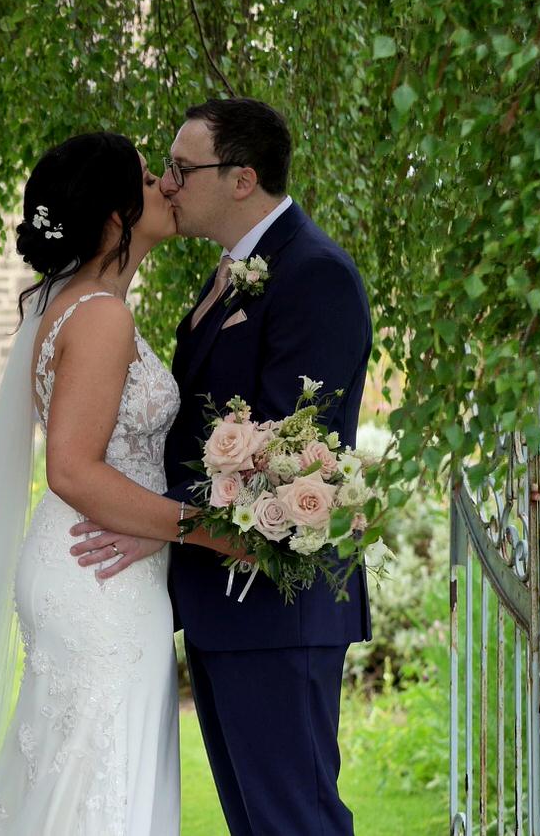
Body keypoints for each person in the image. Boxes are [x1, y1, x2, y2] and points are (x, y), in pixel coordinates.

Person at [0, 131, 246, 835]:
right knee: (97, 790)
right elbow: (70, 467)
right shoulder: (100, 315)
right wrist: (201, 527)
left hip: (90, 563)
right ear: (113, 216)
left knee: (71, 783)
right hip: (98, 579)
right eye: (147, 176)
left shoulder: (68, 302)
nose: (165, 184)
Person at [71, 98, 374, 835]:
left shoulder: (315, 276)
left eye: (181, 167)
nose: (167, 183)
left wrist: (167, 523)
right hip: (223, 605)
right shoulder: (233, 274)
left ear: (242, 178)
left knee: (295, 820)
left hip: (276, 603)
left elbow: (295, 456)